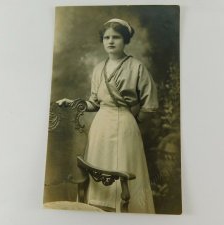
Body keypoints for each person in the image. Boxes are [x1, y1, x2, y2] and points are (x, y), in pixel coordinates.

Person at [57, 18, 158, 213]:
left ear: (126, 40)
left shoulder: (136, 67)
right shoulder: (98, 69)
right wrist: (72, 103)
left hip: (125, 126)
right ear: (102, 40)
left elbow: (150, 104)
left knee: (124, 172)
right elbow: (93, 103)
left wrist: (133, 121)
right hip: (100, 127)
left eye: (116, 37)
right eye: (106, 37)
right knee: (98, 171)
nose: (110, 41)